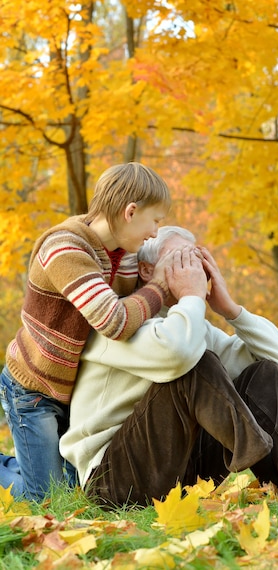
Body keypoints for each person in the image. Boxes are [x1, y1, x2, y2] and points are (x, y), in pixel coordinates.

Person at [60, 226, 278, 508]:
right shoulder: (114, 320)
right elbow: (178, 354)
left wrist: (231, 309)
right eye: (181, 260)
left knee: (262, 372)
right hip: (112, 482)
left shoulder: (187, 327)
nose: (194, 269)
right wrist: (192, 298)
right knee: (192, 364)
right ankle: (267, 457)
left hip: (178, 476)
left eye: (197, 258)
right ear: (146, 270)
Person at [0, 162, 172, 500]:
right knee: (46, 499)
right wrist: (162, 289)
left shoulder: (123, 255)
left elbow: (143, 311)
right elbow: (115, 321)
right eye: (155, 221)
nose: (154, 232)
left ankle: (24, 466)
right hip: (34, 390)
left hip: (74, 392)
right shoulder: (65, 248)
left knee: (73, 489)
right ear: (130, 211)